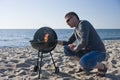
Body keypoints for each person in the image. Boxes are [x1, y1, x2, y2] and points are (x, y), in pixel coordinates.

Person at [57, 12, 107, 77]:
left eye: (68, 20)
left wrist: (75, 48)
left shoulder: (83, 23)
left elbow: (84, 42)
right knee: (66, 48)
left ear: (74, 17)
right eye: (66, 22)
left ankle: (102, 67)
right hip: (87, 52)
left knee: (83, 61)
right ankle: (86, 65)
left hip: (99, 52)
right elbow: (68, 42)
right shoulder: (76, 30)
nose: (67, 23)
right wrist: (55, 42)